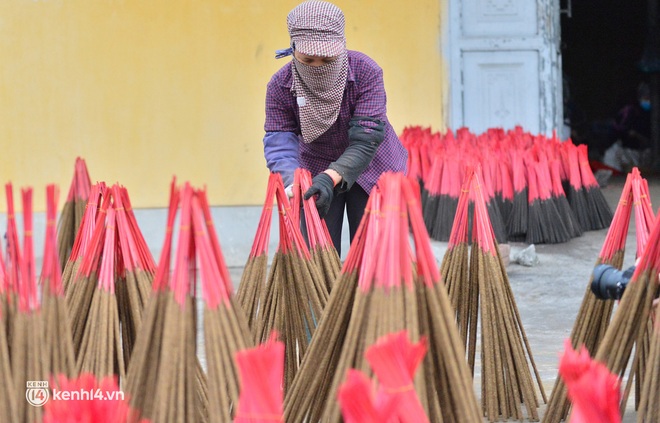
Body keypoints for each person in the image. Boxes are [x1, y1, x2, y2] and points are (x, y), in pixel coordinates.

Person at [262, 0, 408, 256]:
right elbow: (279, 142)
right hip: (316, 172)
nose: (317, 66)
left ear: (341, 48)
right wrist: (292, 182)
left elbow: (365, 141)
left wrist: (331, 177)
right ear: (293, 50)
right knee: (318, 258)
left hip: (373, 166)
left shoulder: (366, 71)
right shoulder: (280, 86)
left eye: (327, 59)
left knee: (372, 258)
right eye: (308, 59)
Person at [602, 82, 652, 172]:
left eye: (649, 98)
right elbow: (618, 128)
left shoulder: (654, 113)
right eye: (646, 98)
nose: (648, 101)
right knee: (611, 154)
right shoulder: (630, 110)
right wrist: (629, 133)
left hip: (648, 152)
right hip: (630, 150)